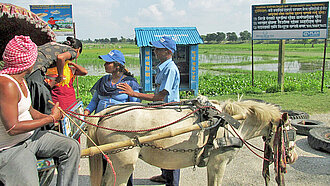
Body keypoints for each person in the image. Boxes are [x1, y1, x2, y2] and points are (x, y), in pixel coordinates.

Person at [0, 35, 80, 185]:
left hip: (31, 137)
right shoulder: (7, 84)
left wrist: (50, 115)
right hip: (12, 148)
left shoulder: (21, 79)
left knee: (71, 147)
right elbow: (13, 128)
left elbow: (29, 110)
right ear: (28, 61)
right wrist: (50, 119)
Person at [118, 36, 181, 186]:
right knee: (160, 143)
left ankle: (172, 182)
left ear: (168, 51)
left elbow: (160, 96)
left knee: (169, 147)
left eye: (158, 49)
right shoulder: (162, 67)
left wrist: (134, 94)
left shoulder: (170, 69)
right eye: (155, 48)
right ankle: (164, 175)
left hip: (168, 112)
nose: (155, 51)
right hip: (161, 110)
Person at [84, 49, 141, 186]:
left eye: (107, 62)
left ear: (117, 66)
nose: (104, 65)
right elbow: (94, 101)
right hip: (101, 124)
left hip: (120, 126)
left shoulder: (129, 83)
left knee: (122, 158)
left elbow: (135, 104)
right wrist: (87, 111)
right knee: (102, 156)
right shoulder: (103, 81)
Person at [25, 37, 83, 129]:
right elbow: (61, 57)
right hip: (36, 73)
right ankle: (46, 130)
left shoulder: (53, 45)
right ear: (78, 49)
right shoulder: (72, 51)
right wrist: (60, 76)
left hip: (27, 71)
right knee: (44, 105)